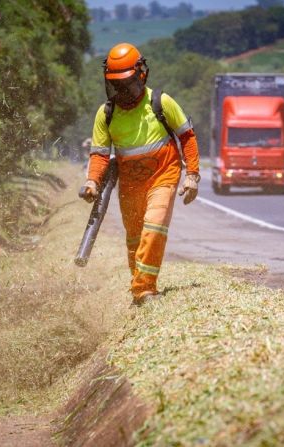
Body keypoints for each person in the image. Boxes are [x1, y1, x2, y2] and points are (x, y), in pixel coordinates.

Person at [80, 42, 200, 305]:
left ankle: (144, 289)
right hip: (130, 183)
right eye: (116, 85)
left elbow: (187, 138)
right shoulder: (106, 113)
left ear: (141, 75)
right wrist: (92, 181)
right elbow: (100, 154)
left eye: (128, 84)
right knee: (135, 237)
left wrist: (192, 175)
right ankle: (138, 282)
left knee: (154, 226)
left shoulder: (161, 102)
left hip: (163, 175)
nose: (122, 91)